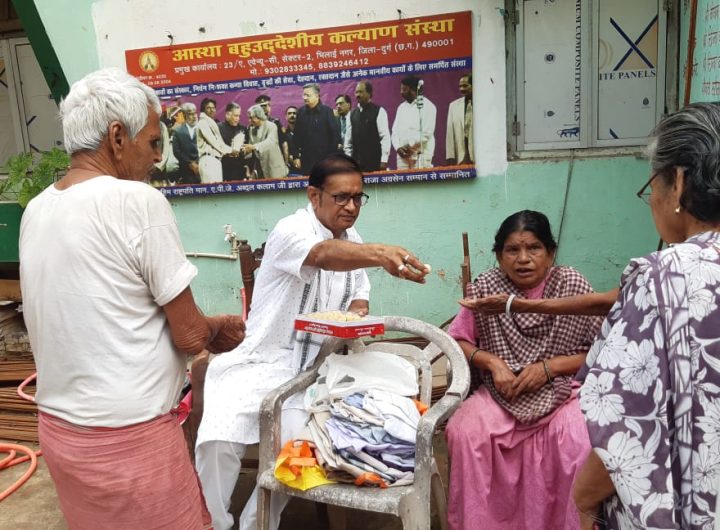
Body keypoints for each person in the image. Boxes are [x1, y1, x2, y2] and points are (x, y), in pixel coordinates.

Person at [18, 67, 245, 530]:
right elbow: (189, 335)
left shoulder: (37, 208)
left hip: (60, 434)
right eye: (154, 142)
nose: (158, 157)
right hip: (129, 440)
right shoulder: (136, 200)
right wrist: (218, 327)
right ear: (118, 137)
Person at [195, 153, 431, 530]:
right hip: (260, 361)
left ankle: (257, 522)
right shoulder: (291, 230)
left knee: (298, 451)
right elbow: (321, 255)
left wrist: (354, 316)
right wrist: (381, 253)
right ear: (314, 195)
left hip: (313, 371)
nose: (351, 206)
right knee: (220, 439)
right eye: (341, 197)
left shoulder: (352, 239)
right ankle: (213, 522)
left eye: (357, 197)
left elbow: (359, 295)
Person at [573, 103, 720, 529]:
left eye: (652, 184)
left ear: (679, 182)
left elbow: (625, 425)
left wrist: (583, 498)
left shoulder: (662, 277)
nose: (651, 200)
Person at [445, 210, 603, 530]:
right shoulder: (487, 287)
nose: (523, 259)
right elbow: (457, 340)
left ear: (551, 253)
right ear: (499, 256)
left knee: (579, 441)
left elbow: (602, 350)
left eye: (534, 248)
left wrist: (551, 367)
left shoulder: (571, 283)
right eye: (512, 250)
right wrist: (493, 363)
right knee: (464, 432)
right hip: (502, 393)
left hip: (563, 391)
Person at [344, 80, 391, 172]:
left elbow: (385, 138)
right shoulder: (351, 114)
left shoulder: (379, 111)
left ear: (369, 94)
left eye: (361, 92)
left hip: (375, 163)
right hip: (357, 165)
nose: (358, 95)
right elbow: (348, 142)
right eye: (356, 92)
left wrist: (384, 160)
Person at [391, 76, 436, 169]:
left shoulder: (428, 106)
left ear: (413, 90)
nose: (401, 92)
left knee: (420, 179)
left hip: (421, 154)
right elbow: (394, 132)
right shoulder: (401, 108)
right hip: (402, 157)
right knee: (402, 179)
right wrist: (398, 148)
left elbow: (427, 134)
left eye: (404, 89)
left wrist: (409, 146)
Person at [294, 83, 340, 174]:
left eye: (308, 95)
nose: (305, 98)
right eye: (304, 95)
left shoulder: (327, 111)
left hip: (324, 160)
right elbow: (296, 136)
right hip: (306, 161)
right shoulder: (301, 112)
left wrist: (331, 157)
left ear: (317, 96)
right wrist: (296, 156)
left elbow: (334, 136)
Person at [242, 104, 288, 179]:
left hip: (275, 168)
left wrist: (253, 147)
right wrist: (246, 150)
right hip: (261, 170)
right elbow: (252, 149)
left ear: (259, 116)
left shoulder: (272, 126)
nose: (249, 121)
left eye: (251, 118)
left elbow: (270, 142)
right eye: (249, 118)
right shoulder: (251, 129)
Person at [197, 97, 236, 183]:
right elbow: (214, 142)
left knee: (217, 189)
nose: (212, 110)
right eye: (208, 108)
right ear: (203, 110)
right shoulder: (203, 122)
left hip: (215, 160)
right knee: (211, 190)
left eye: (213, 108)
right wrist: (230, 150)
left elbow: (219, 143)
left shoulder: (211, 123)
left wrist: (230, 151)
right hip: (208, 160)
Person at [445, 73, 474, 165]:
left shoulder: (483, 103)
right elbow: (450, 134)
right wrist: (450, 157)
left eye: (465, 86)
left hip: (480, 156)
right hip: (462, 158)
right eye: (460, 86)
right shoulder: (453, 106)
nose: (461, 89)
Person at [218, 102, 249, 181]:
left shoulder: (243, 129)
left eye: (239, 116)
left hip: (240, 171)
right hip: (223, 170)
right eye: (235, 116)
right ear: (227, 115)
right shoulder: (218, 128)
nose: (238, 119)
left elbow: (247, 150)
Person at [172, 102, 200, 184]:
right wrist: (190, 163)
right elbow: (177, 152)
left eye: (195, 113)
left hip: (202, 166)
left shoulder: (203, 128)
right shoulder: (178, 131)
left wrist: (198, 163)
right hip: (185, 169)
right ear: (184, 115)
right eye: (190, 114)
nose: (194, 116)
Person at [280, 105, 298, 172]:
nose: (292, 115)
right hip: (290, 168)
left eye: (294, 113)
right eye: (289, 113)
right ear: (286, 117)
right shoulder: (283, 134)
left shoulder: (304, 132)